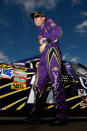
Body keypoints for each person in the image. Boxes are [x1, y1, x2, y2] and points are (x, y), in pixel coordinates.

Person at [29, 12, 68, 125]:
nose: (34, 19)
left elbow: (58, 31)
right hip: (43, 58)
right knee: (38, 85)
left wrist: (46, 42)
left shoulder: (48, 22)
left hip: (53, 52)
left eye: (36, 16)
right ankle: (36, 114)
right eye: (33, 18)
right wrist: (40, 61)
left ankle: (62, 115)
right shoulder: (39, 34)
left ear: (43, 17)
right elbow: (42, 48)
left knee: (55, 82)